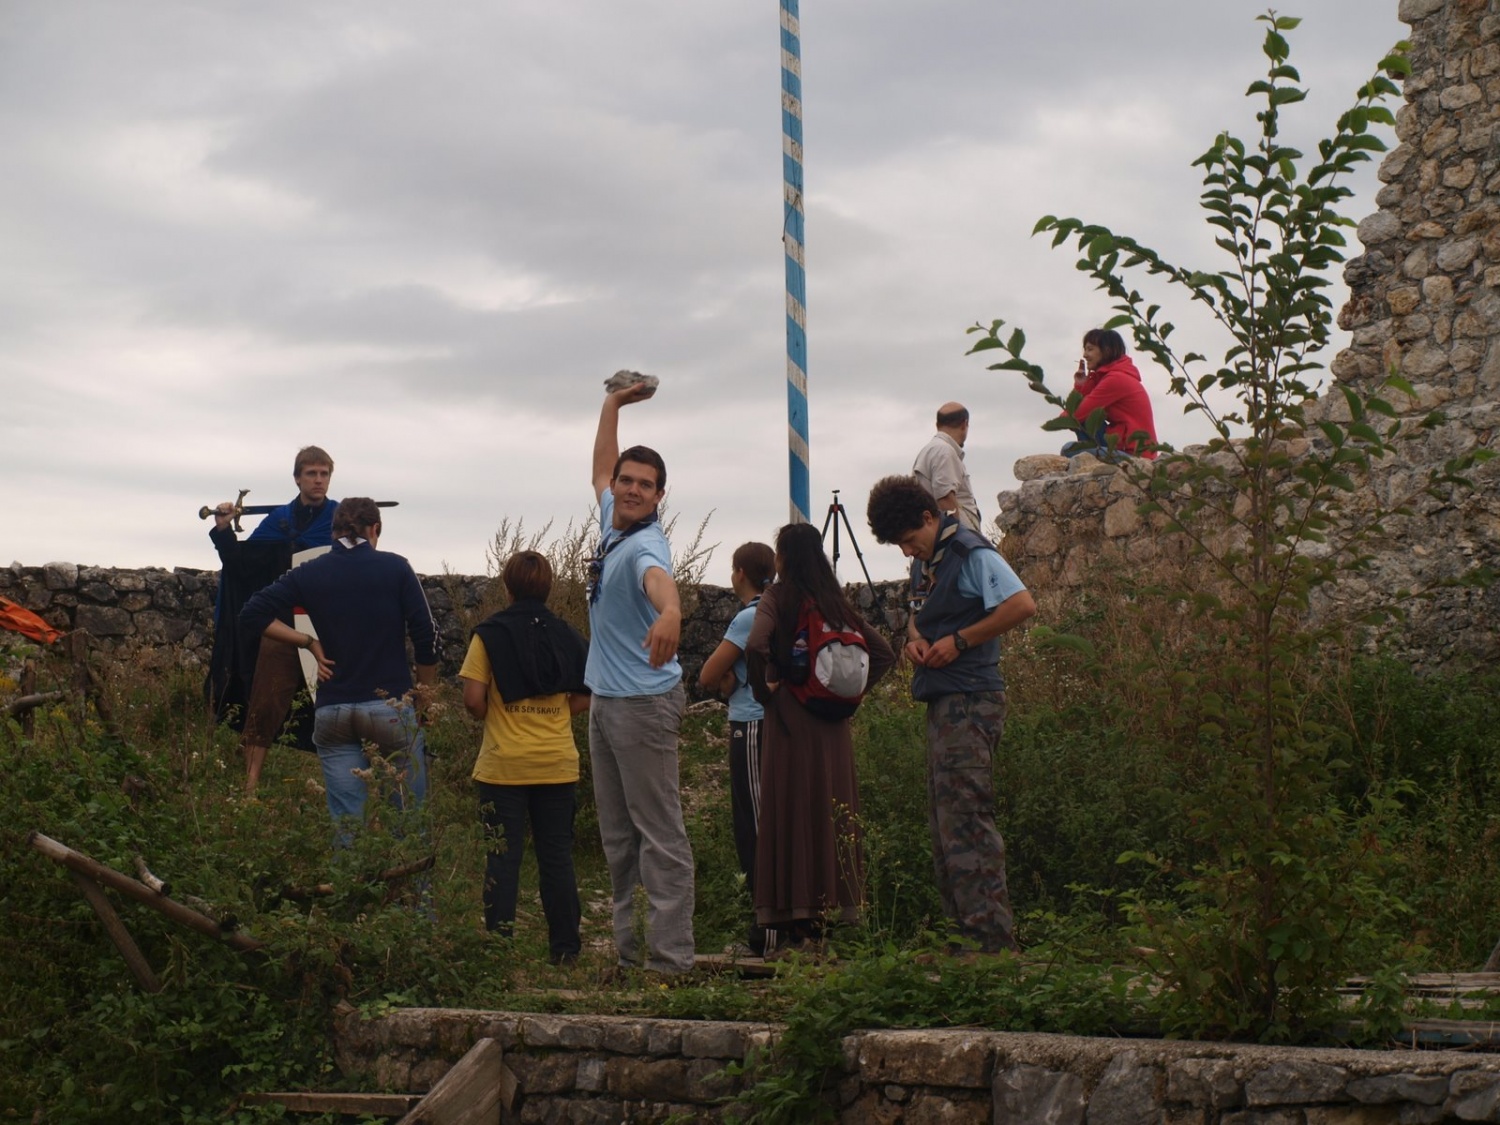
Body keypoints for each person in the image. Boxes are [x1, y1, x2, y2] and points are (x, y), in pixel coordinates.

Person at [866, 475, 1036, 954]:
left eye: (907, 540)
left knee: (967, 821)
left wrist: (962, 640)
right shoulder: (930, 561)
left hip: (972, 699)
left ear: (929, 517)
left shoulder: (970, 551)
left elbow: (1022, 604)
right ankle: (963, 939)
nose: (905, 552)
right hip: (943, 701)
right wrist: (916, 640)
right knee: (945, 825)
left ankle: (993, 947)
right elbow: (920, 615)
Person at [239, 498, 438, 835]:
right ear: (375, 529)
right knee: (409, 825)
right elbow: (426, 635)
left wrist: (307, 642)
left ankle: (353, 885)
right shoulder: (397, 568)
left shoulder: (309, 571)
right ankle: (410, 887)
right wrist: (425, 697)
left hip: (334, 711)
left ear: (333, 533)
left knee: (348, 827)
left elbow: (252, 613)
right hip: (389, 706)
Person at [586, 381, 695, 975]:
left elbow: (662, 585)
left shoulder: (646, 546)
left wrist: (673, 613)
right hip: (607, 701)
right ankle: (630, 956)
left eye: (642, 485)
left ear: (658, 496)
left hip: (643, 705)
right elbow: (601, 467)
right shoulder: (614, 523)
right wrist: (613, 405)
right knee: (617, 838)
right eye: (628, 481)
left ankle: (672, 961)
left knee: (659, 836)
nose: (628, 489)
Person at [745, 523, 895, 951]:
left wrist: (765, 693)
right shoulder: (836, 601)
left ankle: (793, 920)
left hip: (789, 720)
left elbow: (756, 644)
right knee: (832, 815)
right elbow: (883, 653)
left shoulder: (777, 596)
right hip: (833, 726)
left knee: (789, 812)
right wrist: (848, 696)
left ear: (784, 558)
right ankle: (833, 916)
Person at [459, 551, 590, 965]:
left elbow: (474, 699)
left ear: (507, 586)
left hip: (503, 764)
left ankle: (499, 952)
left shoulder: (489, 634)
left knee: (503, 857)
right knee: (557, 857)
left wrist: (499, 715)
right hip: (557, 763)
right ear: (550, 586)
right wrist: (555, 717)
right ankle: (566, 952)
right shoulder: (568, 634)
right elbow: (587, 693)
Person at [207, 446, 339, 791]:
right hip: (280, 627)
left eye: (324, 473)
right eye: (311, 473)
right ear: (298, 478)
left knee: (338, 703)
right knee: (265, 700)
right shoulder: (279, 520)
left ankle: (341, 781)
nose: (318, 480)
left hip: (328, 626)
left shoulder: (340, 520)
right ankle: (250, 784)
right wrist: (223, 530)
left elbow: (361, 564)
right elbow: (242, 566)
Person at [696, 541, 777, 956]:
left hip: (750, 723)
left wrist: (727, 675)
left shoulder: (749, 617)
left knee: (755, 829)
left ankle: (766, 932)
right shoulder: (780, 607)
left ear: (739, 572)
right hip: (775, 724)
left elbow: (709, 674)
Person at [1061, 328, 1158, 460]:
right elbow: (1079, 411)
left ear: (1106, 350)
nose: (1084, 354)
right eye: (1085, 349)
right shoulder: (1106, 377)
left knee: (1068, 449)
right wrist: (1080, 386)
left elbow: (1072, 417)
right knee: (1086, 421)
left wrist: (1061, 420)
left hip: (1136, 457)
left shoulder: (1115, 379)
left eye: (1090, 349)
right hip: (1121, 447)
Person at [912, 403, 983, 533]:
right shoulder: (944, 451)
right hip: (956, 544)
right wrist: (957, 536)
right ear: (964, 424)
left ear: (937, 425)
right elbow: (945, 498)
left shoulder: (931, 450)